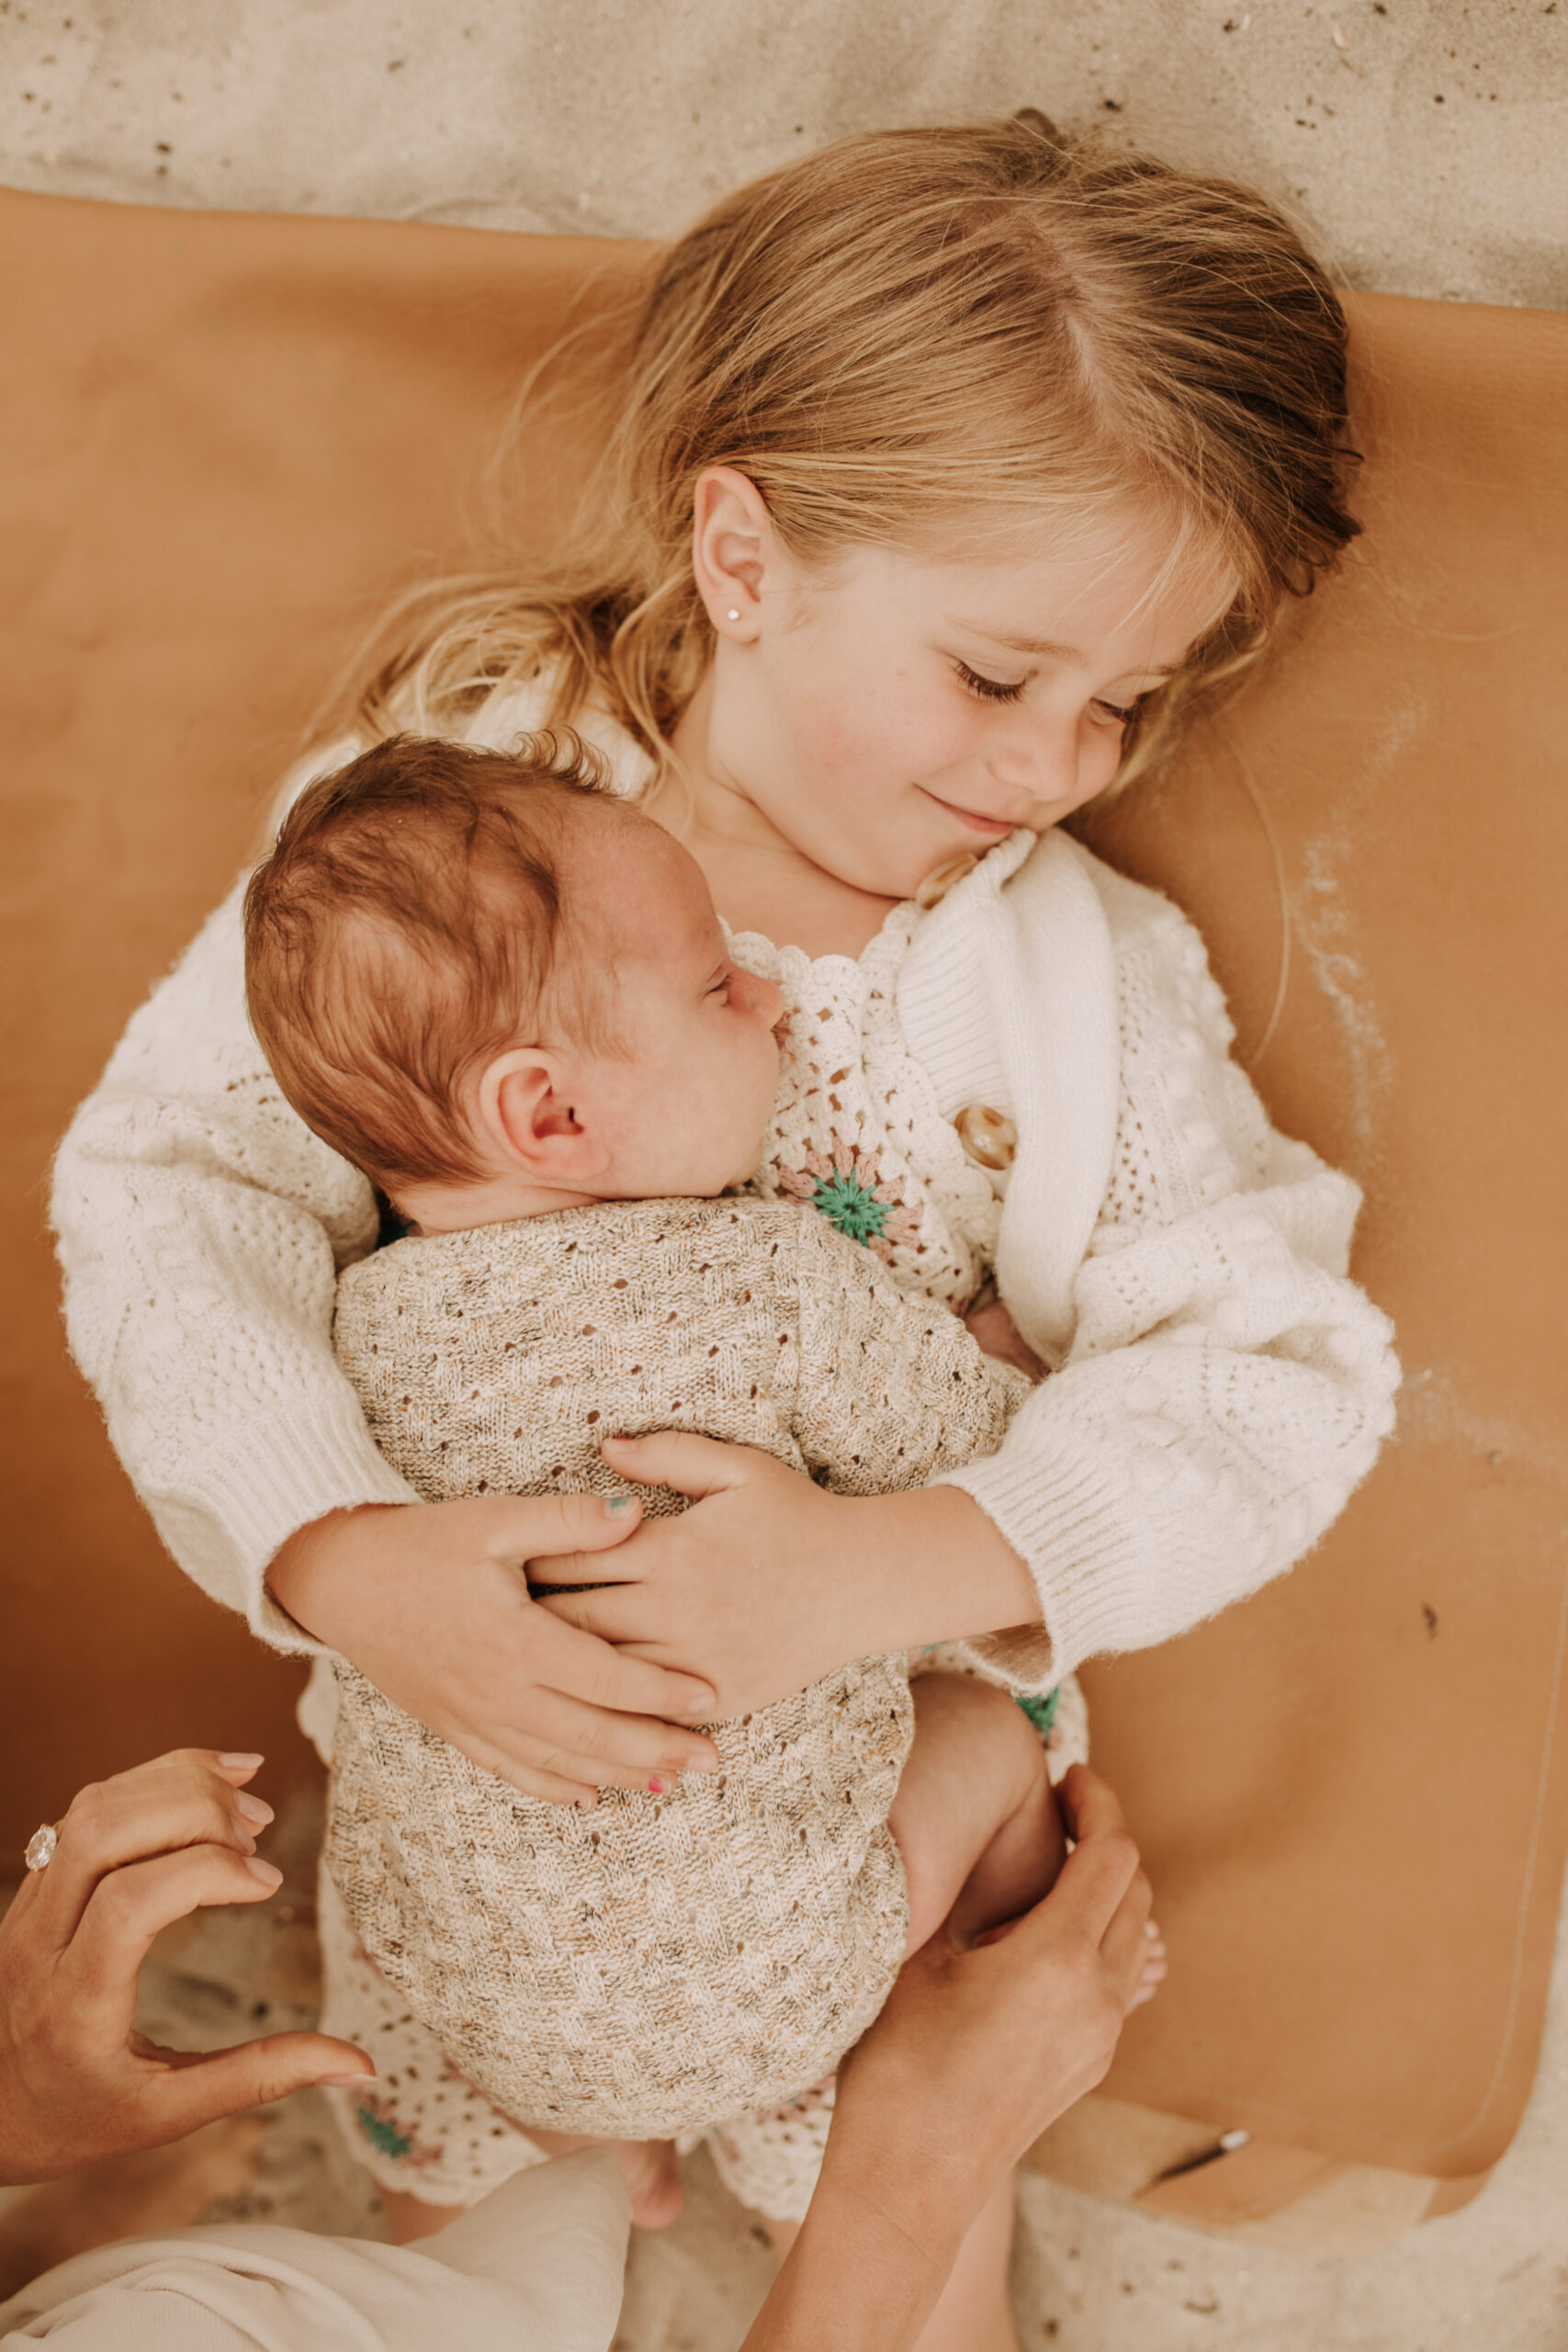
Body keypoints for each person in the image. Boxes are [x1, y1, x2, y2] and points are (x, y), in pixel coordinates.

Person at [51, 114, 1400, 2351]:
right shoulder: (438, 822)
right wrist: (333, 1547)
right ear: (744, 551)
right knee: (456, 2157)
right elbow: (172, 1191)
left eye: (1127, 699)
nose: (1061, 757)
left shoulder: (1066, 978)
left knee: (976, 1912)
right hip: (480, 1761)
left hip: (845, 1771)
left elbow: (1273, 1375)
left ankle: (904, 2217)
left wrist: (885, 1564)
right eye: (995, 675)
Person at [239, 726, 1144, 2231]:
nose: (776, 998)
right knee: (987, 1719)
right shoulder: (769, 1277)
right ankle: (879, 2069)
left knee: (385, 1743)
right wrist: (992, 1345)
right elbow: (968, 1453)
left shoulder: (352, 1336)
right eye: (720, 988)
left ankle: (588, 2143)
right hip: (766, 2005)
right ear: (551, 1116)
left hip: (469, 2005)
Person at [0, 1747, 1155, 2352]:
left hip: (487, 1997)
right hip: (780, 1980)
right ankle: (610, 2138)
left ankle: (601, 2144)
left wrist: (17, 2129)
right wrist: (909, 2188)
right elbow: (994, 1741)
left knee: (452, 2162)